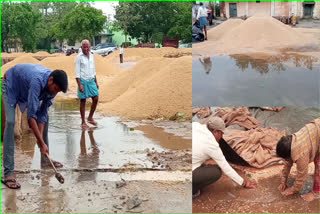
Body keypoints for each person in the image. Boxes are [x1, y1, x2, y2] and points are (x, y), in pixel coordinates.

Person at [1, 63, 68, 189]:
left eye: (57, 91)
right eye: (55, 89)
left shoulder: (52, 87)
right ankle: (8, 173)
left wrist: (41, 141)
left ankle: (45, 159)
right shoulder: (36, 81)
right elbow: (31, 117)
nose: (55, 93)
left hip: (24, 88)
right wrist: (41, 142)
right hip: (10, 84)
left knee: (45, 119)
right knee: (10, 123)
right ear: (50, 80)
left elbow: (42, 115)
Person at [192, 117, 257, 198]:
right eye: (221, 133)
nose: (222, 136)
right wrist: (243, 182)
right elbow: (226, 168)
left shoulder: (196, 125)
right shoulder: (212, 145)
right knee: (216, 171)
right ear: (215, 132)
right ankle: (192, 190)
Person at [276, 118, 319, 202]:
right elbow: (287, 163)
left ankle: (316, 193)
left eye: (285, 158)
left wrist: (293, 189)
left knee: (318, 165)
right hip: (316, 130)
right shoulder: (291, 142)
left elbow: (302, 174)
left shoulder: (300, 155)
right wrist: (283, 180)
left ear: (288, 156)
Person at [75, 39, 99, 129]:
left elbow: (94, 70)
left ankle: (90, 117)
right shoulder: (78, 57)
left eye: (87, 47)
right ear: (81, 47)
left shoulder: (92, 56)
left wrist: (96, 82)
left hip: (91, 80)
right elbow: (77, 73)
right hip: (83, 81)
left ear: (90, 47)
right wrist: (79, 84)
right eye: (84, 47)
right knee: (83, 101)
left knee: (96, 98)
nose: (86, 48)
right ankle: (83, 122)